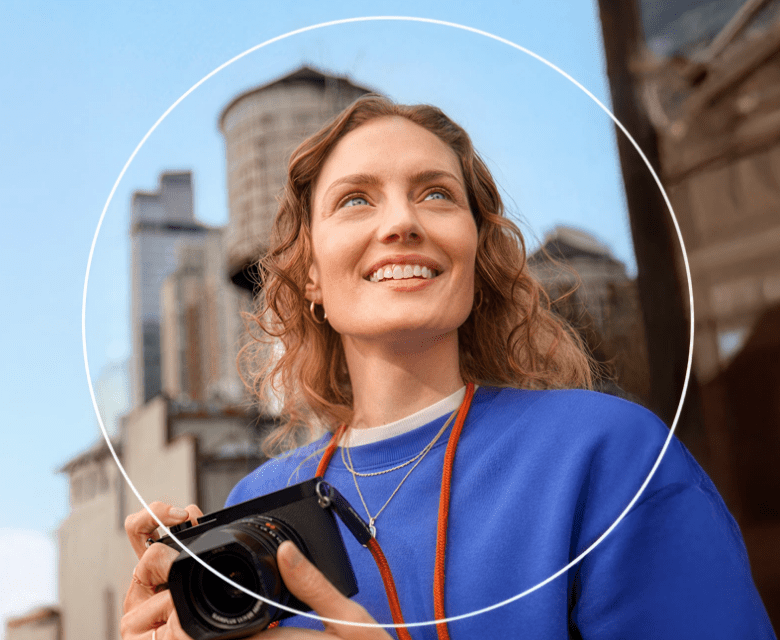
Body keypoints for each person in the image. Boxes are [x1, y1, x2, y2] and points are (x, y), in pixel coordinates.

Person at [121, 95, 776, 640]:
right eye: (355, 200)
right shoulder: (250, 510)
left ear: (477, 253)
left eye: (436, 194)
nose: (402, 222)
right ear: (311, 272)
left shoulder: (608, 454)